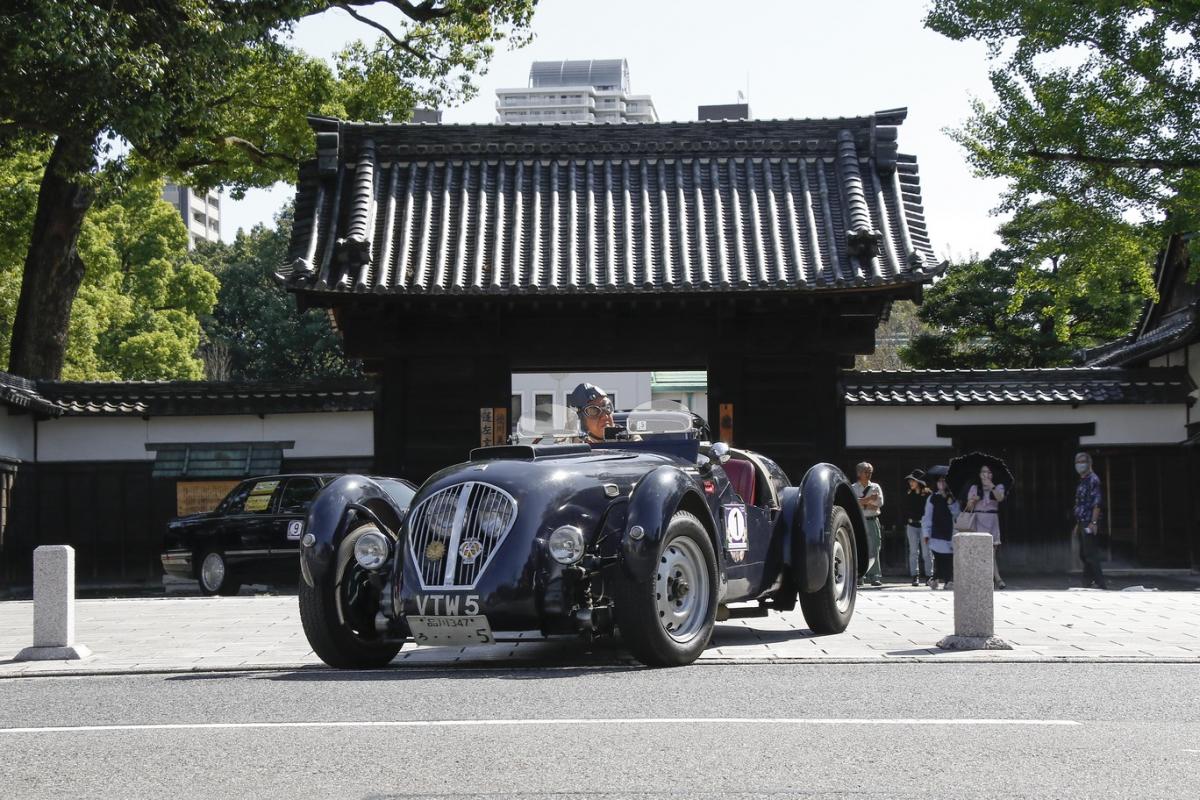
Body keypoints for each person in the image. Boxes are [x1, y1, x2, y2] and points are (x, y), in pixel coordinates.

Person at [965, 465, 1007, 590]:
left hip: (992, 520)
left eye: (989, 472)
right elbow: (968, 507)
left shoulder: (998, 486)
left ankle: (993, 579)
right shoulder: (975, 488)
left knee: (991, 553)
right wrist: (973, 500)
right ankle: (996, 579)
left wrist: (991, 486)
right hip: (978, 520)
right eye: (983, 472)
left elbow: (1000, 498)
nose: (986, 475)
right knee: (980, 552)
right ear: (979, 474)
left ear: (992, 475)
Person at [1073, 451, 1107, 590]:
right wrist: (1077, 524)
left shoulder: (1093, 480)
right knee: (1084, 553)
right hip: (1082, 521)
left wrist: (1093, 522)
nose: (1080, 465)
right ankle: (1087, 581)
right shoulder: (1082, 481)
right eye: (1078, 462)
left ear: (1089, 463)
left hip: (1089, 521)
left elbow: (1097, 503)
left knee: (1090, 554)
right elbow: (1081, 503)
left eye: (1083, 461)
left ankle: (1100, 582)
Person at [922, 473, 960, 590]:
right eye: (940, 481)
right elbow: (927, 516)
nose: (942, 484)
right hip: (936, 532)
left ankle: (945, 579)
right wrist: (926, 533)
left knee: (948, 558)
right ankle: (938, 578)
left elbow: (957, 513)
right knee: (939, 558)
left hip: (949, 531)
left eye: (944, 481)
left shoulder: (952, 497)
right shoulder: (932, 498)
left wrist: (949, 501)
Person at [850, 462, 884, 587]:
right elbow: (853, 503)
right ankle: (860, 575)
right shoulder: (853, 487)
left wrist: (862, 502)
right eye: (866, 471)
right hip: (859, 521)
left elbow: (879, 503)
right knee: (859, 547)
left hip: (872, 519)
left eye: (870, 471)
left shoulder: (875, 487)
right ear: (859, 473)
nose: (869, 474)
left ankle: (875, 576)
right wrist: (869, 500)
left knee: (875, 548)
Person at [903, 470, 932, 587]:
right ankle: (915, 576)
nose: (910, 482)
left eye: (912, 480)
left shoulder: (928, 495)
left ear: (919, 481)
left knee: (926, 552)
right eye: (910, 481)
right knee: (914, 551)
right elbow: (905, 509)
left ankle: (929, 576)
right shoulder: (909, 494)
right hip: (911, 525)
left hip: (924, 526)